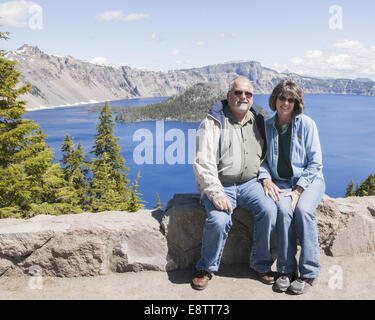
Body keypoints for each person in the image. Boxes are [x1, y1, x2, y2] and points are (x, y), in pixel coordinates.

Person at [191, 76, 277, 290]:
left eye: (248, 94)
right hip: (221, 185)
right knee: (219, 220)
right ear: (229, 95)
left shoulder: (257, 121)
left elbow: (264, 156)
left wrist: (265, 177)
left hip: (250, 184)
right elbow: (203, 162)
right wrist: (215, 193)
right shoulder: (212, 122)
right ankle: (206, 268)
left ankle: (260, 264)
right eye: (238, 92)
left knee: (269, 209)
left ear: (252, 97)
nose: (243, 97)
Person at [258, 79, 325, 295]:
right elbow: (261, 160)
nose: (285, 103)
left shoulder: (307, 124)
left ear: (296, 103)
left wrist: (299, 190)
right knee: (283, 210)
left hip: (310, 180)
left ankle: (309, 272)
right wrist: (266, 179)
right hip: (282, 183)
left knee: (304, 210)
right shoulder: (267, 127)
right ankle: (286, 270)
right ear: (275, 99)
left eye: (290, 99)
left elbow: (315, 163)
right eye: (282, 98)